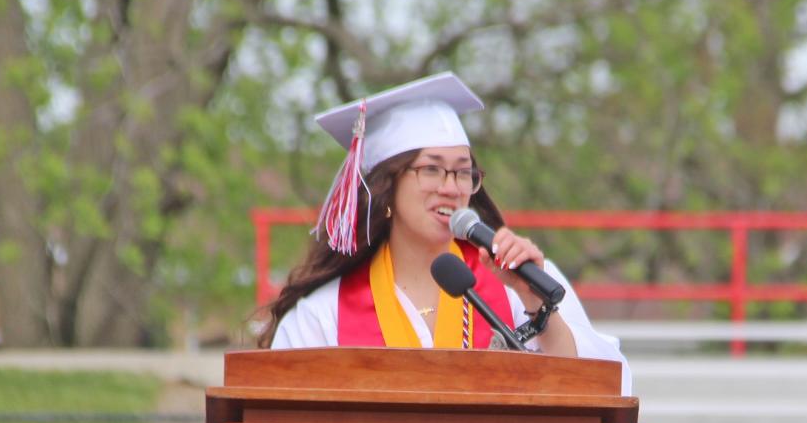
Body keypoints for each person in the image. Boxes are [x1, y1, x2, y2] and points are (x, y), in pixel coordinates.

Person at [260, 72, 631, 391]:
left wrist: (536, 305)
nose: (451, 187)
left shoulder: (519, 285)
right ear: (388, 185)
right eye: (432, 169)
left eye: (462, 171)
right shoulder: (325, 315)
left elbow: (601, 390)